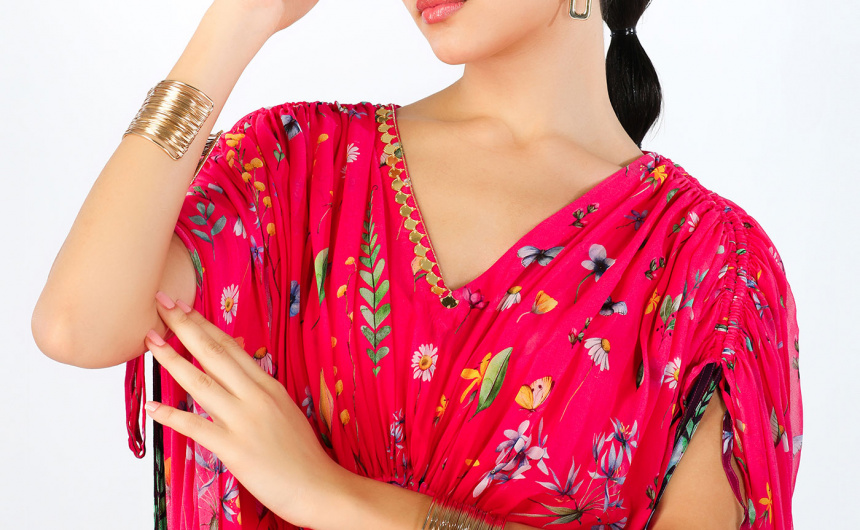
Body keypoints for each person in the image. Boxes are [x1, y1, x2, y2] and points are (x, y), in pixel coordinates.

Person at [31, 0, 803, 528]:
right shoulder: (299, 168)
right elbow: (78, 322)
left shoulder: (715, 269)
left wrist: (337, 499)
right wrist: (238, 18)